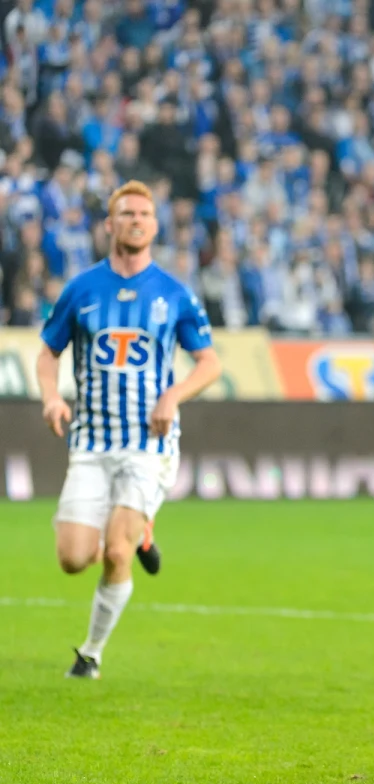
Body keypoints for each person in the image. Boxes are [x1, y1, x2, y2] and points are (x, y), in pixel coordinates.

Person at [37, 180, 223, 679]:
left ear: (155, 226)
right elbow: (47, 352)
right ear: (109, 225)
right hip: (91, 444)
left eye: (144, 213)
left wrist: (173, 394)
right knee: (74, 558)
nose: (135, 220)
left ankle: (90, 654)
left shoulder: (174, 294)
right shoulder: (81, 289)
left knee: (114, 550)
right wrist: (52, 397)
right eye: (126, 214)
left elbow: (209, 363)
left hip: (149, 444)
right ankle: (138, 534)